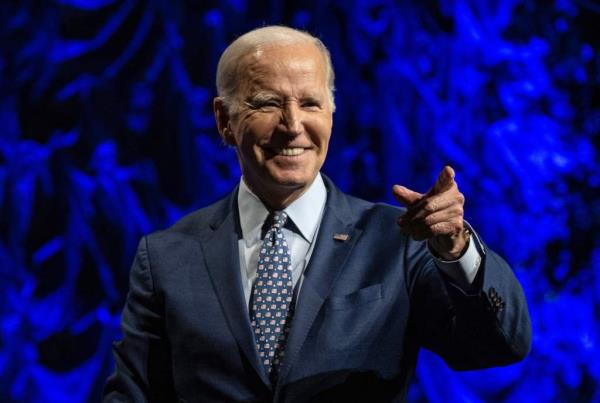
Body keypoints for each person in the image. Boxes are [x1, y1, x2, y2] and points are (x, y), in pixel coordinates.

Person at [103, 25, 531, 402]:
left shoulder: (398, 241)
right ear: (224, 120)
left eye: (310, 103)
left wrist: (457, 252)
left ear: (331, 112)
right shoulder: (166, 257)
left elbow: (497, 347)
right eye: (268, 103)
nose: (292, 125)